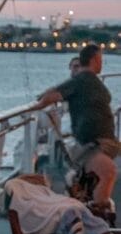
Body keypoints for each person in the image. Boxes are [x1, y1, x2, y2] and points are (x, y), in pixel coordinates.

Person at [36, 43, 119, 211]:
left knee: (104, 174)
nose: (102, 63)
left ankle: (96, 207)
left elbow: (59, 90)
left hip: (104, 141)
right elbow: (53, 95)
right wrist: (39, 103)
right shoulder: (82, 80)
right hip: (93, 142)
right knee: (109, 173)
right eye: (100, 59)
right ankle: (98, 215)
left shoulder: (88, 81)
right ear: (94, 59)